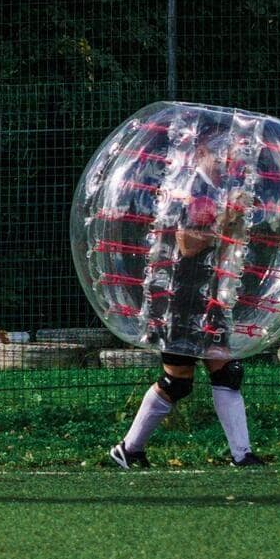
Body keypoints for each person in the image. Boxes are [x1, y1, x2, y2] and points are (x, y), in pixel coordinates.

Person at [108, 127, 266, 470]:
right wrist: (226, 221)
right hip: (178, 298)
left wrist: (236, 221)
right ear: (200, 155)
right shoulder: (190, 189)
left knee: (226, 371)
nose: (226, 160)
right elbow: (187, 244)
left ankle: (243, 455)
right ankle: (128, 448)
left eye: (228, 154)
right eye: (218, 153)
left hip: (206, 297)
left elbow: (225, 243)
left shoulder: (219, 191)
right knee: (177, 382)